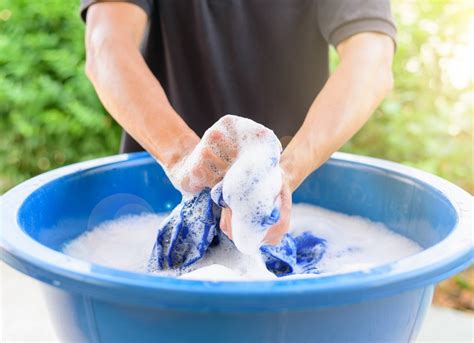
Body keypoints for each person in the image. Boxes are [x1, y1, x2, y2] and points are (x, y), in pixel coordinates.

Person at [81, 0, 395, 246]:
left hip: (290, 212)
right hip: (154, 204)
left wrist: (281, 174)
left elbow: (370, 58)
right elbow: (107, 44)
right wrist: (183, 157)